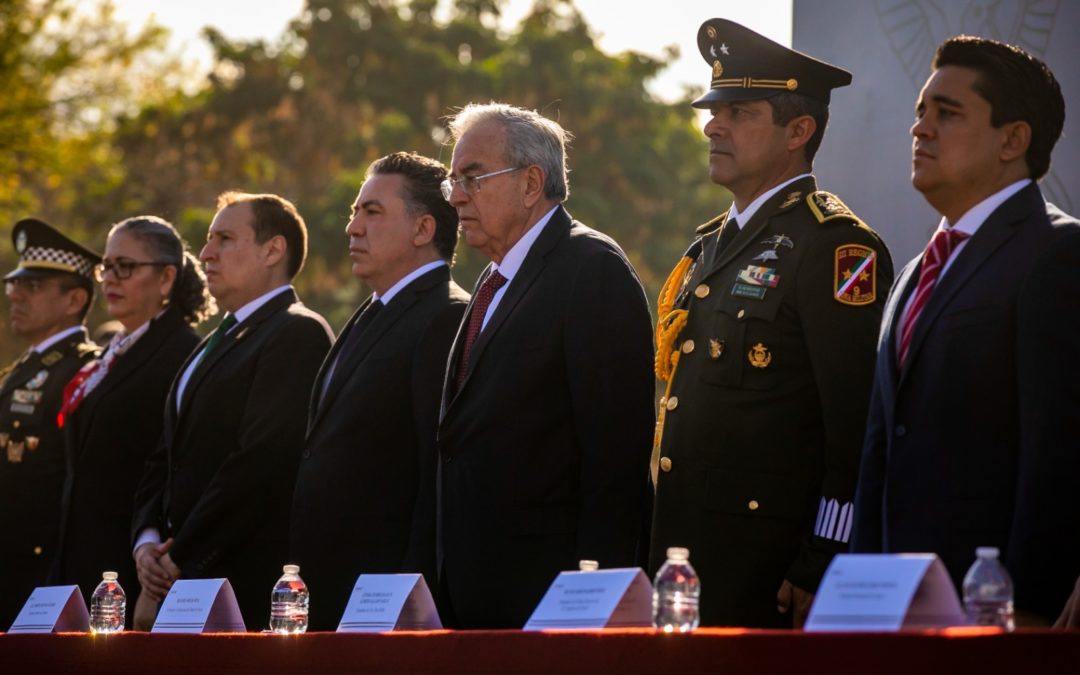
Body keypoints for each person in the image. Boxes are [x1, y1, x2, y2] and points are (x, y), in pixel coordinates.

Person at [649, 18, 893, 628]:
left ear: (798, 130)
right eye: (714, 110)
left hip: (772, 574)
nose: (713, 125)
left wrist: (823, 561)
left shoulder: (835, 246)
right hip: (687, 564)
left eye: (739, 112)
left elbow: (856, 428)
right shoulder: (710, 245)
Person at [851, 36, 1080, 624]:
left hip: (994, 620)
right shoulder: (911, 274)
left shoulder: (1058, 254)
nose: (920, 129)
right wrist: (859, 597)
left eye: (946, 113)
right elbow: (880, 453)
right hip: (889, 615)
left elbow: (1057, 456)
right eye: (920, 111)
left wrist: (1029, 608)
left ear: (1013, 139)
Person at [438, 103, 655, 629]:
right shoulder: (494, 283)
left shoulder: (591, 269)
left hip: (554, 604)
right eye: (452, 182)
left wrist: (593, 596)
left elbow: (615, 459)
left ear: (531, 183)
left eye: (473, 178)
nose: (458, 197)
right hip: (477, 598)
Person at [131, 192, 333, 630]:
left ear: (272, 250)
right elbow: (164, 457)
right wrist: (145, 543)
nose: (205, 254)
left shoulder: (297, 331)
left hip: (239, 587)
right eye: (207, 240)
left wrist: (177, 555)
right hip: (177, 581)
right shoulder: (211, 344)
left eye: (224, 239)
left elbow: (260, 459)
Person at [290, 152, 469, 631]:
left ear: (423, 229)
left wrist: (406, 596)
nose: (352, 227)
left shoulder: (446, 316)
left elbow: (436, 472)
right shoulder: (374, 312)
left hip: (384, 603)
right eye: (354, 212)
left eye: (372, 212)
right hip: (331, 590)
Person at [49, 216, 213, 624]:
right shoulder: (113, 351)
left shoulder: (182, 354)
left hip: (132, 568)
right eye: (107, 267)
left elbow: (169, 468)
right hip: (78, 560)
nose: (110, 279)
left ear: (165, 278)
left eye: (126, 266)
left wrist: (147, 566)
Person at [0, 219, 99, 628]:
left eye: (34, 287)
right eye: (14, 286)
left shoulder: (84, 368)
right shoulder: (23, 369)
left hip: (40, 572)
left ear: (74, 299)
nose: (16, 296)